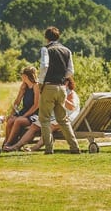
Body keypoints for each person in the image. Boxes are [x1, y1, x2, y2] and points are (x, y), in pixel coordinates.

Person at [4, 77, 80, 152]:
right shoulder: (59, 91)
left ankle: (35, 147)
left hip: (67, 118)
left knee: (49, 126)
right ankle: (16, 146)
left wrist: (61, 97)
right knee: (34, 125)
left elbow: (72, 107)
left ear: (67, 83)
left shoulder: (71, 93)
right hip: (55, 117)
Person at [37, 26, 81, 154]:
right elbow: (70, 71)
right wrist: (62, 77)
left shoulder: (46, 49)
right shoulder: (67, 50)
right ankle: (74, 146)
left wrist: (40, 82)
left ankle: (49, 148)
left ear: (46, 37)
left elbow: (44, 66)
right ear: (58, 37)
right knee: (63, 119)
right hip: (62, 87)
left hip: (49, 86)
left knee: (44, 119)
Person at [1, 66, 40, 150]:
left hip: (34, 113)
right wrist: (12, 113)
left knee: (18, 121)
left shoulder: (36, 86)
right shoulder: (24, 86)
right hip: (25, 111)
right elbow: (17, 101)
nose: (21, 77)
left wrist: (24, 116)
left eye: (22, 75)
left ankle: (9, 144)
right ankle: (6, 142)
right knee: (10, 120)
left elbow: (36, 105)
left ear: (26, 76)